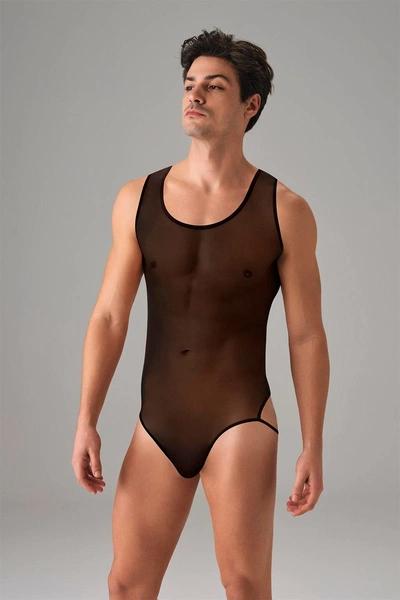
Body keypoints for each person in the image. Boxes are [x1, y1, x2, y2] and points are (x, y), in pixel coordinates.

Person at [71, 27, 329, 600]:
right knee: (126, 585)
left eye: (215, 86)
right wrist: (87, 418)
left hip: (240, 416)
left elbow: (307, 335)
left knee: (244, 584)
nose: (195, 95)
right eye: (190, 84)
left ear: (250, 106)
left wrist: (313, 443)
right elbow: (109, 317)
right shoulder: (136, 198)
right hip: (158, 420)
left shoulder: (286, 210)